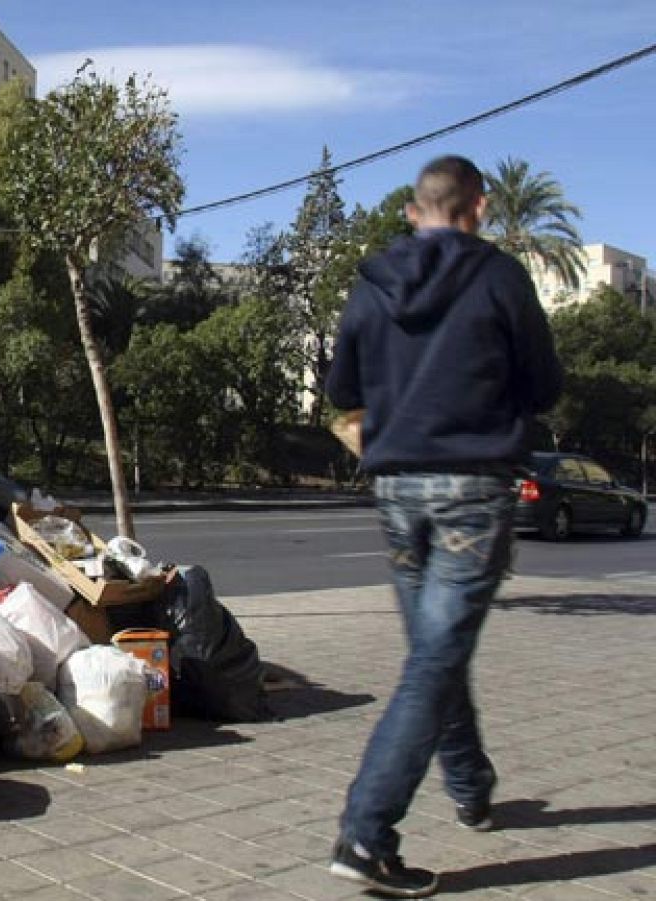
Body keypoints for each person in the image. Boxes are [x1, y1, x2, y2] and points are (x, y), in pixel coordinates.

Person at [323, 154, 562, 898]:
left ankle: (470, 786)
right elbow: (545, 384)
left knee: (434, 650)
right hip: (472, 488)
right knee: (432, 661)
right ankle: (366, 835)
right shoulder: (500, 278)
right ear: (479, 207)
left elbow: (341, 390)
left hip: (395, 488)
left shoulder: (371, 283)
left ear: (412, 211)